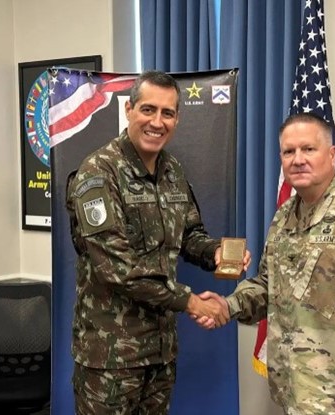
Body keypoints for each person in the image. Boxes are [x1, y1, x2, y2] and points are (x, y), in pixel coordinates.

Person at [199, 113, 335, 415]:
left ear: (331, 154)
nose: (298, 159)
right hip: (299, 394)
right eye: (289, 151)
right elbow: (269, 286)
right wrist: (228, 306)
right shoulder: (286, 215)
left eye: (308, 149)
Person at [66, 70, 249, 415]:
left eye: (167, 113)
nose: (157, 122)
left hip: (160, 352)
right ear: (129, 110)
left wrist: (215, 253)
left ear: (177, 119)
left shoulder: (172, 171)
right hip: (111, 358)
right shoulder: (98, 173)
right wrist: (190, 302)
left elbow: (189, 235)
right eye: (148, 109)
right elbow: (118, 269)